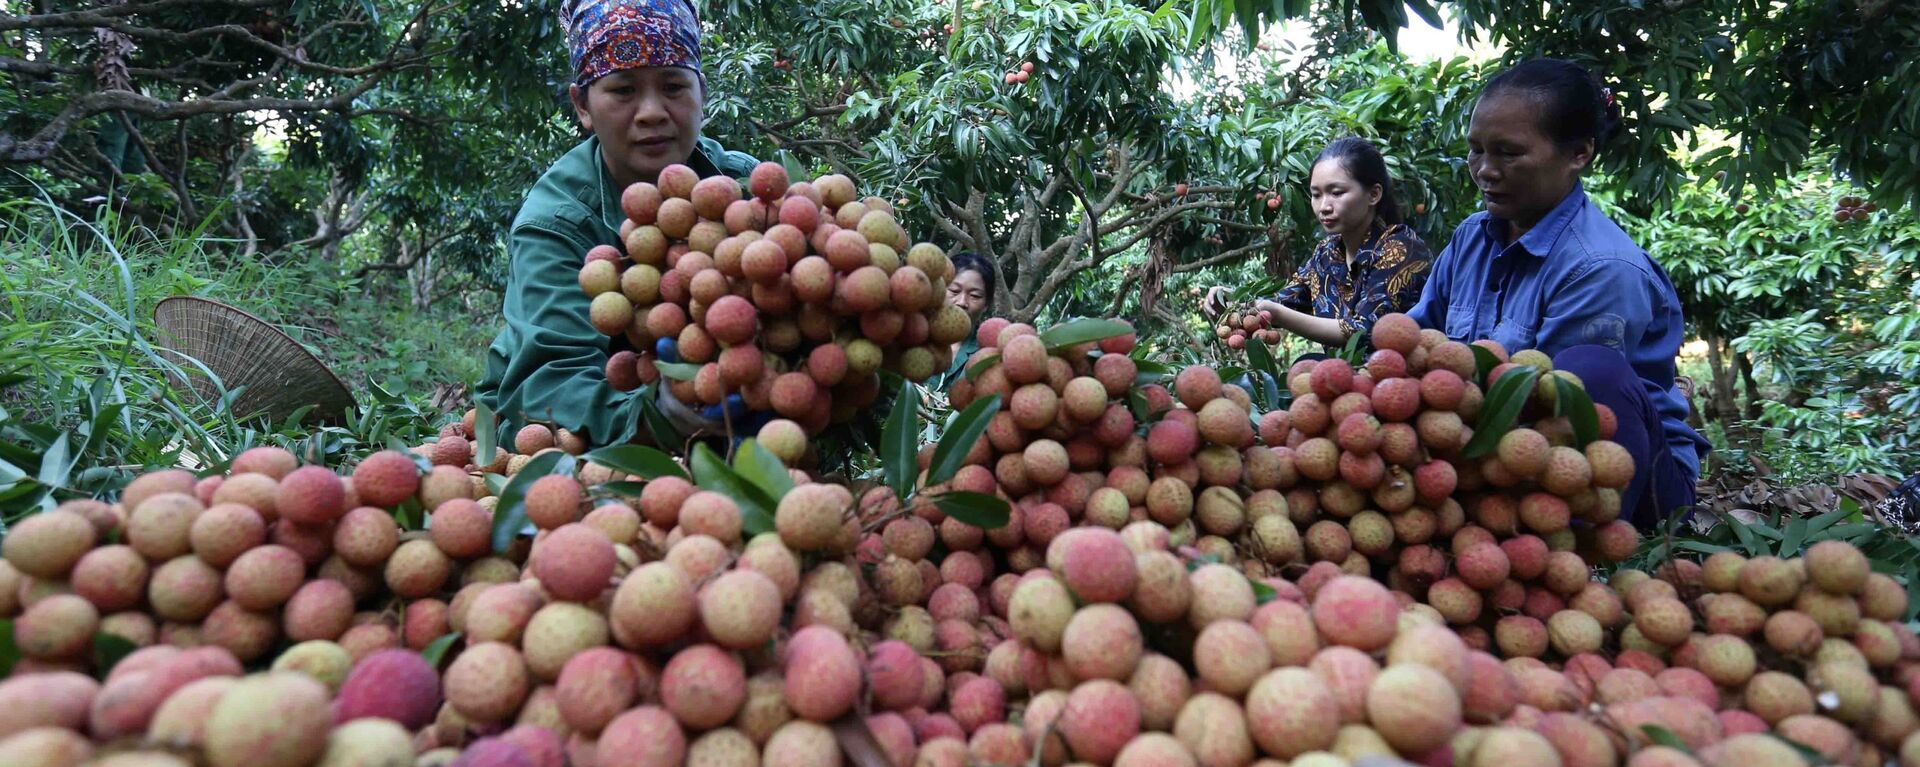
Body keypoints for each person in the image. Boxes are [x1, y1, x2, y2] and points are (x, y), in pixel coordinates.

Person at [1406, 58, 1710, 527]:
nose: (1485, 170)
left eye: (1507, 152)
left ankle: (1586, 540)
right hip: (1494, 452)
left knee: (1588, 371)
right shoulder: (1471, 237)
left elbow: (1549, 410)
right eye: (1476, 150)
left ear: (1579, 154)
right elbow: (1418, 340)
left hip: (1628, 479)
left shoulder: (1601, 267)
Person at [475, 0, 760, 448]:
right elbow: (544, 386)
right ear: (582, 106)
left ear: (701, 94)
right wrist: (658, 416)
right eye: (623, 91)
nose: (651, 112)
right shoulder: (555, 223)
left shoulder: (742, 187)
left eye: (673, 86)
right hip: (577, 432)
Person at [1206, 137, 1433, 350]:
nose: (1324, 206)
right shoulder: (1326, 253)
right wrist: (1233, 299)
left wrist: (1276, 313)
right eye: (1316, 195)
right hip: (1340, 382)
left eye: (1337, 193)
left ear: (1373, 194)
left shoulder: (1400, 247)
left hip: (1399, 382)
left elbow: (1366, 330)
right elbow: (1284, 302)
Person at [931, 251, 995, 391]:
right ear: (939, 290)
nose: (961, 302)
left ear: (986, 305)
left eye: (974, 296)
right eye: (954, 291)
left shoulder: (988, 353)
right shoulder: (913, 334)